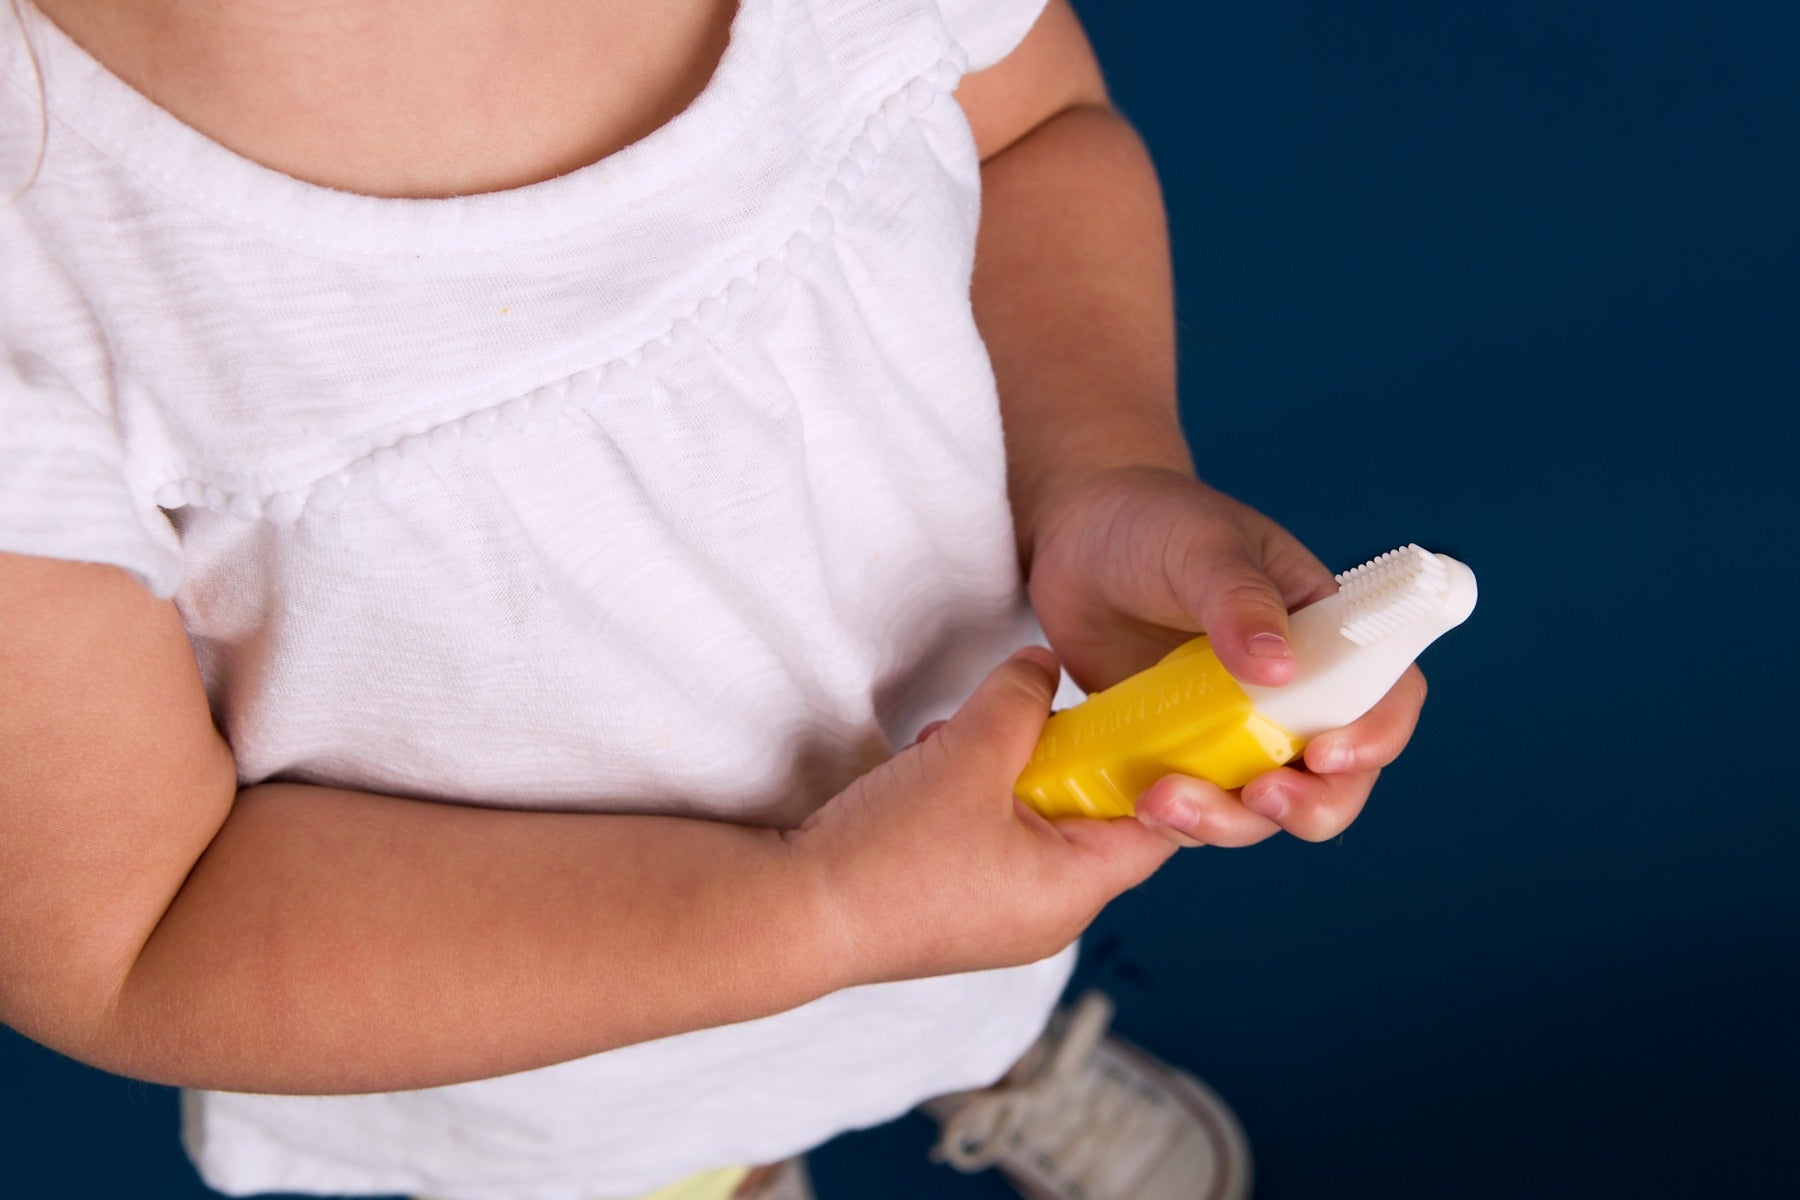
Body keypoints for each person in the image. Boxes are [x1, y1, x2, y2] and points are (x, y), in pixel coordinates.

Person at [0, 1, 1427, 1198]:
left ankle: (973, 1045)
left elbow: (1031, 129)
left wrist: (1101, 469)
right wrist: (813, 913)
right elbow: (140, 929)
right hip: (552, 1067)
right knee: (684, 1158)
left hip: (993, 789)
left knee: (975, 959)